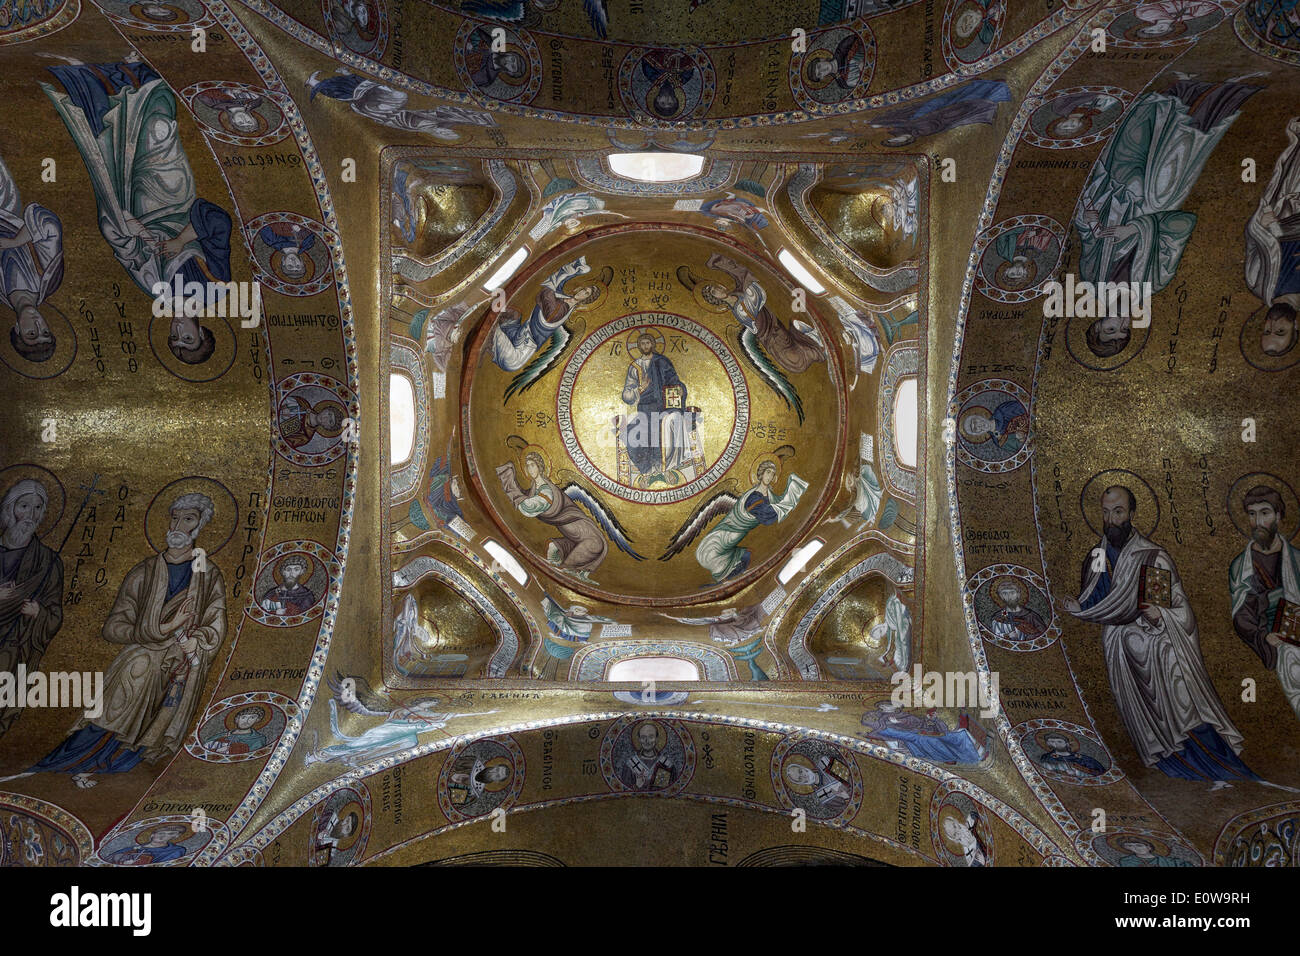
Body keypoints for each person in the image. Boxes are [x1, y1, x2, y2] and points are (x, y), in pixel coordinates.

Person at [3, 493, 226, 789]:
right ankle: (64, 762)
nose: (178, 525)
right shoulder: (144, 572)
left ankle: (106, 767)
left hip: (179, 661)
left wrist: (198, 639)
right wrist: (160, 628)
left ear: (199, 526)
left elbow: (215, 622)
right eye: (175, 517)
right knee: (136, 668)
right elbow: (114, 627)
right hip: (141, 656)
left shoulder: (208, 576)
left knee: (152, 684)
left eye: (188, 519)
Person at [1061, 486, 1265, 790]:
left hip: (1159, 647)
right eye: (1105, 512)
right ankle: (1181, 771)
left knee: (1184, 705)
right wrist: (1080, 608)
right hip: (1122, 649)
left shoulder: (1151, 556)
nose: (1111, 520)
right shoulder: (1097, 556)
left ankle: (1227, 770)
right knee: (1151, 721)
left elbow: (1168, 609)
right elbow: (1094, 596)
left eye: (1118, 512)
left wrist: (1157, 616)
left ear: (1131, 514)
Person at [42, 59, 233, 296]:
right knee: (159, 127)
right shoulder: (215, 286)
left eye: (173, 335)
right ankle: (139, 72)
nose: (178, 333)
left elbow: (130, 253)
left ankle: (87, 73)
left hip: (133, 203)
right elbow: (218, 220)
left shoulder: (156, 290)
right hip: (173, 197)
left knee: (109, 142)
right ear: (202, 334)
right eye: (186, 335)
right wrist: (181, 240)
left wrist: (130, 230)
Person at [1229, 485, 1300, 720]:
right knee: (1291, 661)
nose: (1257, 521)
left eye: (1265, 512)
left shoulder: (1297, 560)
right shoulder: (1240, 566)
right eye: (1252, 514)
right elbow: (1241, 613)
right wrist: (1264, 636)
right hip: (1270, 634)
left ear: (1279, 515)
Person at [0, 479, 64, 735]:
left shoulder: (48, 562)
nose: (30, 515)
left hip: (14, 647)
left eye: (38, 508)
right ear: (9, 508)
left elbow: (55, 613)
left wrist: (40, 614)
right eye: (24, 506)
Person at [695, 460, 807, 583]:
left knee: (746, 556)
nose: (769, 476)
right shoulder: (753, 497)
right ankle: (725, 580)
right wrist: (792, 491)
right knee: (714, 557)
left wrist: (791, 489)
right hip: (723, 537)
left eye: (772, 474)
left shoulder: (770, 496)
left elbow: (777, 505)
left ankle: (728, 580)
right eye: (768, 472)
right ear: (761, 474)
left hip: (734, 537)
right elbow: (769, 516)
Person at [0, 153, 63, 363]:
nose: (38, 325)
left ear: (17, 329)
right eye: (45, 331)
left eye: (32, 334)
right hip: (4, 206)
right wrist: (15, 242)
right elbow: (48, 225)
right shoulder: (48, 280)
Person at [620, 329, 700, 485]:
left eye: (648, 342)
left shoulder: (662, 362)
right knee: (633, 435)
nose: (645, 345)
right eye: (642, 343)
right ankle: (647, 471)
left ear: (653, 344)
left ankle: (667, 469)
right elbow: (626, 395)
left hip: (665, 408)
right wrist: (640, 389)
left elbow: (674, 381)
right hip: (645, 410)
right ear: (638, 346)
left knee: (670, 425)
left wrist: (680, 389)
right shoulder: (635, 367)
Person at [1036, 732, 1106, 778]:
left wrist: (1077, 772)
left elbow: (1099, 773)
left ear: (1067, 744)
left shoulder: (1083, 758)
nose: (1055, 744)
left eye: (1059, 741)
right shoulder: (1047, 757)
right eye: (1052, 742)